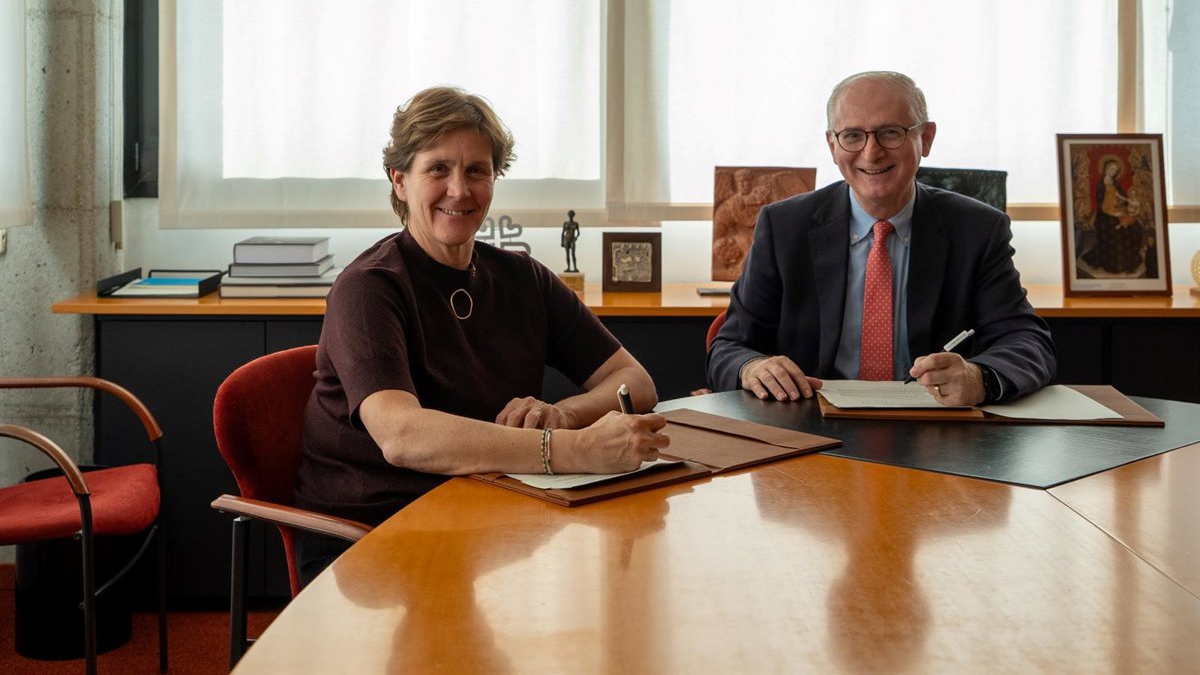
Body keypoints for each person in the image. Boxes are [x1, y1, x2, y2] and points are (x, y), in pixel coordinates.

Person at [295, 86, 666, 582]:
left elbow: (635, 381)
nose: (459, 190)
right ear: (399, 181)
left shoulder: (523, 278)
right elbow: (402, 436)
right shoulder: (368, 288)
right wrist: (572, 448)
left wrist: (564, 414)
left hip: (492, 512)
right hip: (373, 538)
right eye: (438, 169)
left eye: (476, 171)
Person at [706, 71, 1055, 407]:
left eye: (890, 133)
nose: (871, 152)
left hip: (935, 424)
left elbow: (1027, 342)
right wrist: (751, 368)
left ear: (926, 138)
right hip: (813, 421)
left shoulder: (977, 229)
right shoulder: (784, 226)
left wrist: (980, 377)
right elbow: (730, 345)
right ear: (832, 145)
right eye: (852, 135)